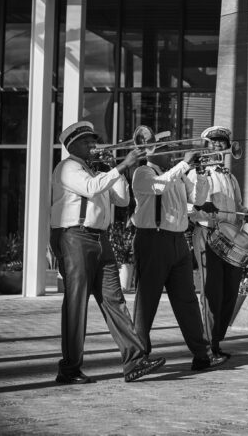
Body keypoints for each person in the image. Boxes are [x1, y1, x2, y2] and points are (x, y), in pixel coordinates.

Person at [50, 121, 166, 384]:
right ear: (73, 145)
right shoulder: (68, 167)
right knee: (76, 304)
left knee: (115, 300)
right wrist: (121, 166)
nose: (94, 145)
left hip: (100, 238)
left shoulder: (100, 170)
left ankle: (135, 361)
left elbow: (122, 200)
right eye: (87, 141)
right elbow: (91, 188)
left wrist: (119, 169)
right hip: (74, 237)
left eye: (94, 140)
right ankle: (69, 369)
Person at [131, 131, 226, 372]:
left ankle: (202, 355)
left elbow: (197, 198)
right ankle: (139, 356)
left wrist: (201, 173)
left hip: (178, 240)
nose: (172, 153)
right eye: (166, 148)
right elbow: (159, 187)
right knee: (147, 301)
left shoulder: (178, 175)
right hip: (153, 240)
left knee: (187, 301)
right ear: (153, 152)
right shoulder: (143, 173)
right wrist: (184, 164)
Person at [188, 126, 248, 359]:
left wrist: (246, 212)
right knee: (212, 292)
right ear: (205, 145)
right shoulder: (197, 173)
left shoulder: (229, 175)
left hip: (230, 235)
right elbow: (190, 207)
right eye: (214, 142)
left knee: (229, 292)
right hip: (208, 233)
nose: (219, 145)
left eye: (222, 142)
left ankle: (216, 341)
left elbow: (237, 205)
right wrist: (204, 212)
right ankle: (207, 346)